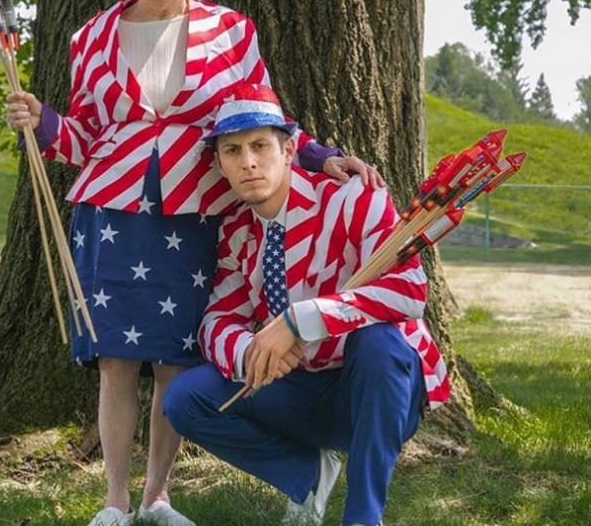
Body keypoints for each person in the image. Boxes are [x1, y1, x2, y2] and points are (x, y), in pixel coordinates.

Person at [6, 0, 383, 526]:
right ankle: (114, 502)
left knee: (176, 359)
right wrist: (42, 121)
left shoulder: (231, 31)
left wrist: (318, 158)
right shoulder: (91, 37)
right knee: (117, 362)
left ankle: (158, 497)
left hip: (199, 211)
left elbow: (264, 113)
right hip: (111, 208)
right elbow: (85, 139)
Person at [163, 83, 451, 526]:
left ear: (290, 149)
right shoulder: (237, 232)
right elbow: (217, 319)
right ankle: (307, 475)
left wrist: (301, 321)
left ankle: (363, 516)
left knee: (379, 343)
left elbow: (409, 290)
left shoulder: (355, 197)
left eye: (260, 146)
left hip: (378, 388)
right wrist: (250, 351)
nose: (249, 162)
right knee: (185, 398)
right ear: (219, 162)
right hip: (302, 389)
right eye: (233, 151)